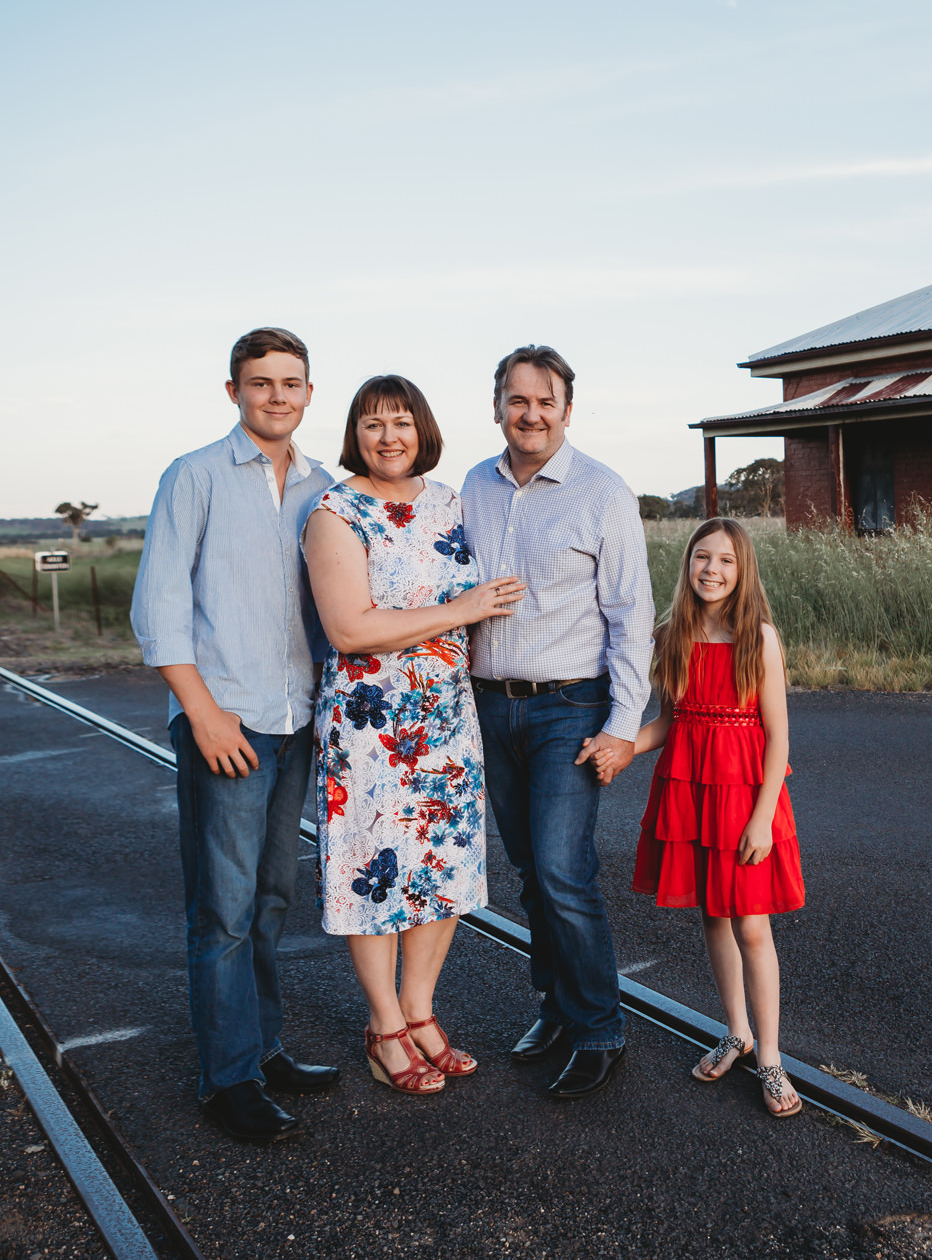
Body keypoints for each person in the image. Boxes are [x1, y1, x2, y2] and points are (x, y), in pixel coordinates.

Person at [130, 327, 342, 1143]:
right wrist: (203, 711)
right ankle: (228, 1079)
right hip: (228, 723)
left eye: (291, 382)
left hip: (297, 721)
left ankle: (264, 1046)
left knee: (271, 899)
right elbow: (160, 608)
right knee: (220, 909)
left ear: (309, 393)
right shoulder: (194, 476)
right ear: (234, 391)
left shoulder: (324, 487)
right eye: (261, 383)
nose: (277, 395)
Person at [303, 376, 526, 1095]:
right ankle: (383, 1024)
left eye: (401, 422)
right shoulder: (334, 512)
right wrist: (458, 609)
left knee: (441, 871)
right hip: (369, 726)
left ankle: (421, 1010)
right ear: (355, 435)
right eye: (373, 424)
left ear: (421, 429)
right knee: (378, 877)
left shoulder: (449, 504)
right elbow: (350, 627)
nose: (388, 436)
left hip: (446, 719)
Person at [461, 345, 653, 1099]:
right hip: (488, 703)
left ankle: (601, 1027)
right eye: (517, 400)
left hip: (568, 707)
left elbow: (631, 617)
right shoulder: (472, 486)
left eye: (545, 401)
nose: (531, 413)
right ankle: (557, 1007)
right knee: (529, 874)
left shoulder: (604, 492)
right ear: (499, 405)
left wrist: (624, 726)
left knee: (563, 870)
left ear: (566, 409)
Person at [629, 517, 806, 1116]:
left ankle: (773, 1059)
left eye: (726, 560)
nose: (712, 569)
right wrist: (621, 745)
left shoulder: (759, 637)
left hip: (745, 797)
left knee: (752, 925)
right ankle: (736, 1031)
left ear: (743, 569)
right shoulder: (671, 634)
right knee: (713, 917)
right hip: (691, 793)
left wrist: (762, 819)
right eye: (701, 557)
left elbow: (778, 738)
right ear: (687, 566)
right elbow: (670, 723)